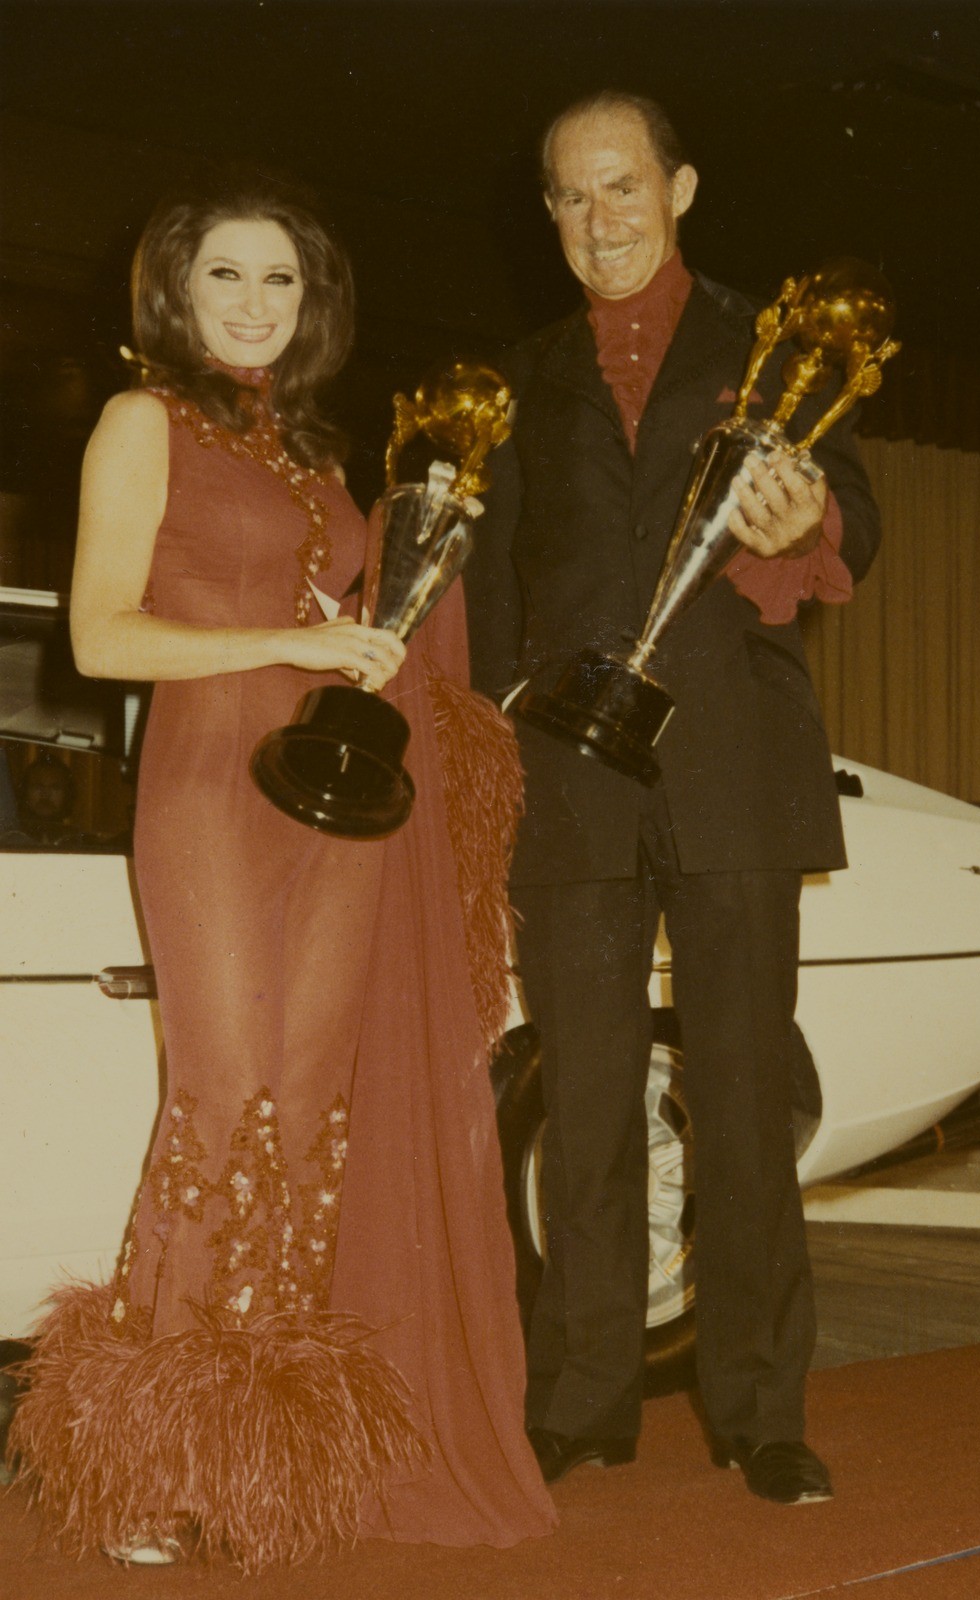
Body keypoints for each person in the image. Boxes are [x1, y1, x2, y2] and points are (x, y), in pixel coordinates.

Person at [7, 172, 554, 1570]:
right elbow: (103, 638)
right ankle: (144, 1461)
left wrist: (387, 620)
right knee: (223, 1108)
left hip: (335, 806)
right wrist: (287, 648)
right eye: (226, 278)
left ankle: (249, 1458)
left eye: (281, 282)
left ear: (313, 309)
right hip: (209, 795)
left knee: (307, 1120)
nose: (254, 305)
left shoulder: (313, 456)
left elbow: (336, 618)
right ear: (175, 295)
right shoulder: (143, 423)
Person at [463, 91, 883, 1504]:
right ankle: (578, 1402)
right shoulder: (517, 377)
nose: (599, 220)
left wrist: (808, 512)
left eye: (622, 189)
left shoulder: (775, 348)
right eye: (570, 198)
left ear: (680, 187)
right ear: (548, 212)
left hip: (731, 774)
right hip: (568, 778)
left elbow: (855, 517)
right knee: (578, 1104)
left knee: (745, 1101)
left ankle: (762, 1413)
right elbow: (484, 592)